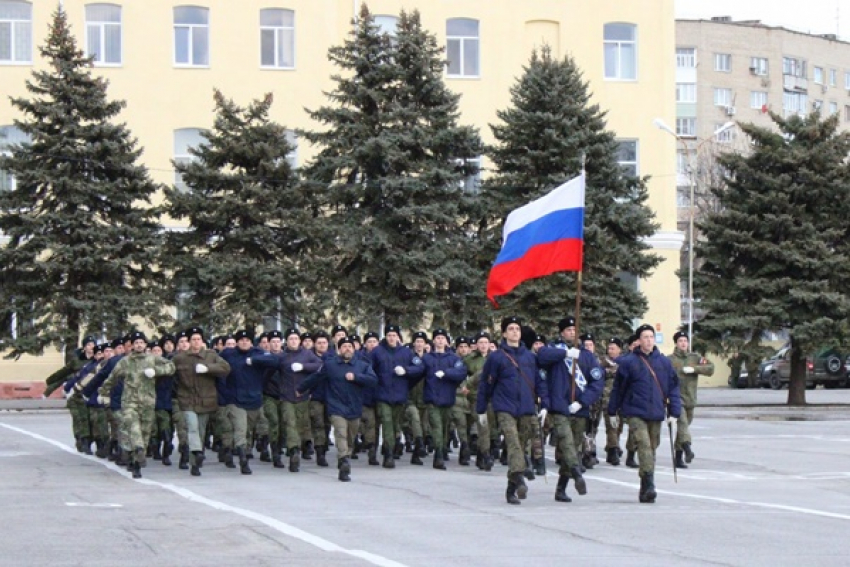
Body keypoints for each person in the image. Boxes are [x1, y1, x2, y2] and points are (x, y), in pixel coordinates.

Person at [477, 316, 549, 505]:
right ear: (504, 333)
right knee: (513, 443)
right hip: (505, 407)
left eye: (517, 328)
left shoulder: (530, 357)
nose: (515, 331)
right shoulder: (496, 357)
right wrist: (481, 409)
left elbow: (539, 382)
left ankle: (511, 488)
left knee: (522, 444)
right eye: (511, 328)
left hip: (526, 408)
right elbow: (486, 384)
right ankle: (519, 478)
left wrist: (545, 405)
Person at [608, 324, 682, 503]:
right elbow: (619, 388)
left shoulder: (664, 362)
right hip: (635, 411)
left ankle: (644, 485)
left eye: (651, 337)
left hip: (656, 411)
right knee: (644, 445)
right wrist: (612, 411)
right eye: (645, 337)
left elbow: (673, 387)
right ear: (639, 341)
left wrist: (674, 412)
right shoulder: (628, 362)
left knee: (652, 448)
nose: (648, 340)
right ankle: (650, 485)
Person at [539, 317, 603, 502]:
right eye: (567, 330)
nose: (571, 333)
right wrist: (565, 354)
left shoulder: (587, 356)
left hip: (580, 408)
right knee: (566, 442)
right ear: (561, 333)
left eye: (574, 329)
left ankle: (561, 487)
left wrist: (583, 401)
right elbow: (541, 357)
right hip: (560, 407)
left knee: (573, 447)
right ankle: (577, 474)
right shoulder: (553, 351)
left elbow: (597, 382)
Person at [97, 331, 176, 478]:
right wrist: (102, 392)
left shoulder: (152, 359)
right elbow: (112, 377)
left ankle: (136, 462)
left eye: (141, 342)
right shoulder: (125, 362)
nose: (139, 345)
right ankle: (138, 449)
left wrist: (156, 371)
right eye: (136, 342)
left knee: (145, 432)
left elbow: (171, 367)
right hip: (130, 402)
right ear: (132, 345)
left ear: (145, 345)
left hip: (148, 402)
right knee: (134, 428)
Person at [299, 336, 379, 482]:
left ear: (354, 349)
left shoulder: (362, 365)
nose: (347, 348)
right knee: (340, 433)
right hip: (336, 407)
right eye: (344, 346)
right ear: (338, 349)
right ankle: (343, 461)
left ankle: (346, 455)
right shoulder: (330, 365)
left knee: (350, 437)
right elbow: (315, 377)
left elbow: (373, 381)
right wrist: (301, 388)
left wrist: (356, 377)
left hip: (354, 407)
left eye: (349, 346)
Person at [171, 327, 231, 476]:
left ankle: (195, 463)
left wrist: (208, 368)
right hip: (187, 400)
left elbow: (225, 368)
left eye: (198, 339)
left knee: (201, 432)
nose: (196, 342)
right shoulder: (180, 358)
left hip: (206, 401)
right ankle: (197, 453)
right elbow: (169, 371)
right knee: (192, 427)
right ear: (189, 342)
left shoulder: (211, 355)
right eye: (193, 339)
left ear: (202, 341)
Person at [370, 324, 425, 468]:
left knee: (395, 426)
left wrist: (406, 370)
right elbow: (369, 369)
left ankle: (392, 448)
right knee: (387, 423)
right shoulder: (377, 352)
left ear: (398, 337)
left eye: (394, 335)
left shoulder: (406, 353)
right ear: (385, 336)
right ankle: (388, 455)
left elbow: (420, 367)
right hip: (383, 394)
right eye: (389, 335)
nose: (391, 338)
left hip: (400, 395)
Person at [219, 329, 273, 474]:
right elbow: (218, 369)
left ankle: (233, 451)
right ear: (237, 342)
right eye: (241, 340)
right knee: (240, 429)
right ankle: (243, 460)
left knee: (249, 430)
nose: (244, 342)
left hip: (254, 399)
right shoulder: (228, 354)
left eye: (247, 340)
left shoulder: (257, 353)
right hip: (234, 399)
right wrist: (224, 393)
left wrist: (255, 361)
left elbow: (275, 360)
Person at [667, 331, 715, 468]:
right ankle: (688, 450)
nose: (683, 343)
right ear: (676, 343)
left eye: (685, 341)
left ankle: (678, 457)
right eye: (680, 341)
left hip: (691, 399)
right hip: (676, 399)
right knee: (682, 425)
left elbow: (710, 368)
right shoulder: (670, 360)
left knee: (684, 429)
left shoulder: (695, 357)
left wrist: (694, 369)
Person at [423, 329, 468, 470]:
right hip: (432, 398)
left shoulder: (453, 358)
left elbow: (461, 372)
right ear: (434, 341)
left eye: (443, 338)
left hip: (448, 398)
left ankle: (441, 450)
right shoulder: (427, 358)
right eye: (438, 338)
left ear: (447, 341)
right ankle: (438, 455)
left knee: (445, 427)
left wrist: (446, 373)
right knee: (437, 426)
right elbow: (418, 370)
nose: (440, 340)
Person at [465, 332, 493, 470]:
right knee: (483, 427)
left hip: (493, 398)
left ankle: (482, 455)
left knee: (490, 428)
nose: (483, 345)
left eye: (485, 342)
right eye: (480, 342)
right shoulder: (469, 359)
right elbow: (462, 376)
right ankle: (485, 455)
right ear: (476, 345)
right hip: (475, 397)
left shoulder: (495, 358)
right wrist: (465, 388)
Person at [600, 337, 625, 465]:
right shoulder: (603, 362)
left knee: (619, 425)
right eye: (609, 348)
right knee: (611, 425)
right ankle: (613, 450)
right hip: (607, 398)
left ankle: (612, 446)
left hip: (622, 398)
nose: (610, 350)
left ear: (619, 350)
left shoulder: (624, 362)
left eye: (613, 348)